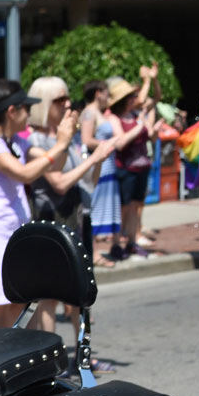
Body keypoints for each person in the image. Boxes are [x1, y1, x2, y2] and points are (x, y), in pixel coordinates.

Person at [0, 79, 76, 339]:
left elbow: (53, 166)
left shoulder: (16, 142)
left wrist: (64, 141)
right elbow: (24, 174)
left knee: (17, 306)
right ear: (12, 111)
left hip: (12, 238)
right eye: (26, 108)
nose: (30, 114)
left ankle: (9, 365)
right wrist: (59, 145)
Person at [24, 76, 117, 335]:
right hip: (52, 221)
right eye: (59, 100)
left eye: (67, 98)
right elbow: (60, 183)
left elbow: (88, 182)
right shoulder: (35, 141)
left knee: (81, 291)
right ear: (43, 104)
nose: (67, 104)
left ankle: (84, 357)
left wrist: (98, 160)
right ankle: (52, 360)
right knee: (50, 297)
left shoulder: (68, 136)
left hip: (77, 217)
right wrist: (94, 157)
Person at [106, 67, 160, 258]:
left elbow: (155, 98)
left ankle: (131, 241)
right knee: (124, 207)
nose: (133, 99)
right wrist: (139, 127)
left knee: (136, 206)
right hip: (125, 168)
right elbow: (120, 143)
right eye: (129, 97)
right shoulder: (114, 117)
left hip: (142, 166)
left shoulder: (136, 115)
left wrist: (152, 80)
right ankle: (117, 243)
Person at [80, 80, 121, 266]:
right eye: (106, 93)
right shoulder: (89, 112)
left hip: (107, 165)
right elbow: (87, 140)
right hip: (99, 167)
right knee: (96, 209)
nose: (108, 97)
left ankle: (98, 252)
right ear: (98, 93)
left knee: (105, 208)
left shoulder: (97, 112)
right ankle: (95, 253)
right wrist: (109, 144)